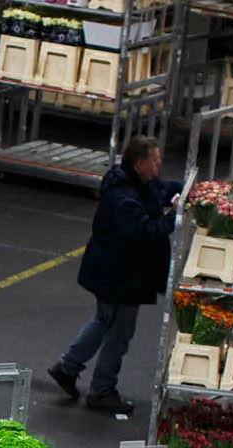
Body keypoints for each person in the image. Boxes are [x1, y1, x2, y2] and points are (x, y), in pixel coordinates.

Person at [50, 135, 183, 417]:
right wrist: (176, 217)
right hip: (119, 276)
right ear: (140, 163)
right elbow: (144, 231)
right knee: (118, 334)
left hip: (115, 273)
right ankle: (102, 390)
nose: (159, 166)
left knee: (103, 320)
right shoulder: (124, 198)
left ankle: (68, 367)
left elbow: (163, 189)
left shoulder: (135, 183)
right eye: (155, 161)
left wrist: (186, 191)